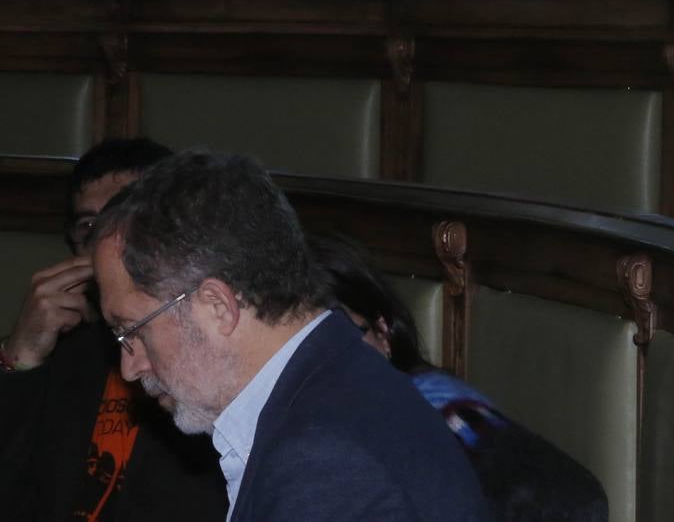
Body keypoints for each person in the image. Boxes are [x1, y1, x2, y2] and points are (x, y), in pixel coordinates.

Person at [88, 150, 490, 522]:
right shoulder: (336, 379)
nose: (129, 366)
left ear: (217, 307)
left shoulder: (323, 463)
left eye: (132, 331)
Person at [0, 138, 227, 522]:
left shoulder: (209, 344)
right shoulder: (63, 344)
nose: (105, 243)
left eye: (126, 219)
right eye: (90, 225)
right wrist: (21, 357)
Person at [310, 234, 609, 522]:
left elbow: (567, 501)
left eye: (341, 335)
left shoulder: (439, 408)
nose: (323, 360)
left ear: (383, 332)